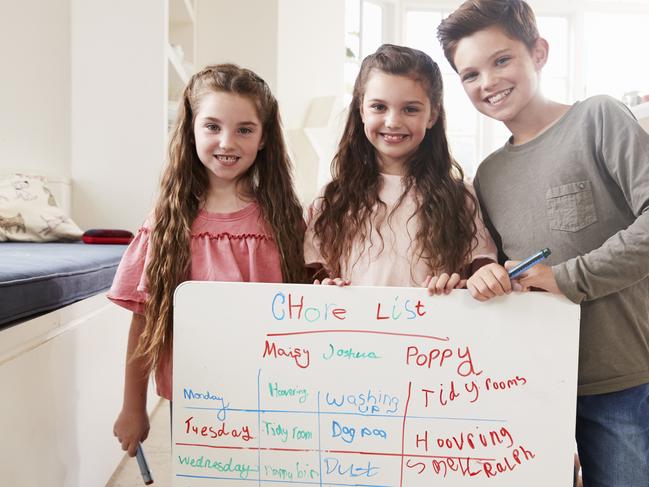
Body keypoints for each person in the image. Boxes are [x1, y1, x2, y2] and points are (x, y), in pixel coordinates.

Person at [437, 1, 649, 485]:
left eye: (501, 60)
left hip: (622, 382)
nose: (487, 82)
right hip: (532, 386)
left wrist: (568, 277)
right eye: (470, 74)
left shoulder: (599, 118)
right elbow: (500, 271)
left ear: (539, 52)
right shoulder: (488, 175)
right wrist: (479, 275)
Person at [108, 64, 308, 456]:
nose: (227, 142)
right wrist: (134, 406)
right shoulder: (167, 222)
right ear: (192, 130)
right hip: (195, 391)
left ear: (265, 137)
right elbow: (144, 319)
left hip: (275, 393)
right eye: (212, 127)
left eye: (245, 129)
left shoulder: (285, 220)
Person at [304, 44, 496, 291]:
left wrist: (462, 284)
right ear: (361, 109)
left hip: (433, 329)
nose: (393, 121)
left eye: (410, 109)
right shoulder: (330, 200)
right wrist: (324, 287)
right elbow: (309, 279)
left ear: (432, 115)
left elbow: (482, 274)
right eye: (379, 107)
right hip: (350, 328)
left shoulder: (461, 199)